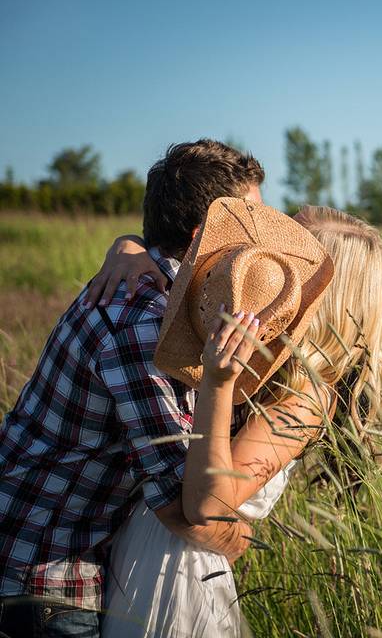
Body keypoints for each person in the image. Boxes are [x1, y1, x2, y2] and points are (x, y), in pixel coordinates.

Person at [0, 140, 265, 638]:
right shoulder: (143, 326)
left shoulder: (158, 296)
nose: (261, 253)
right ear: (204, 239)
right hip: (42, 579)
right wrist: (243, 538)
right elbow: (184, 512)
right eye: (250, 233)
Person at [98, 202, 382, 636]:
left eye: (286, 252)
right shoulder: (268, 359)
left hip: (175, 578)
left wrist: (217, 384)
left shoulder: (306, 397)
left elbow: (205, 504)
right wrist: (128, 247)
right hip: (143, 554)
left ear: (325, 292)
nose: (264, 253)